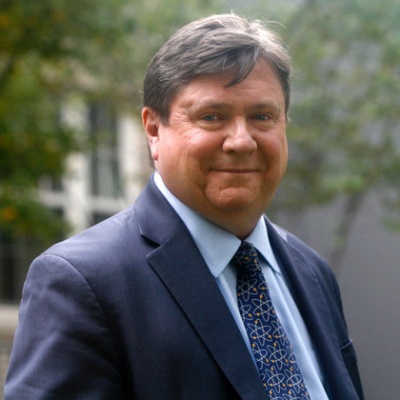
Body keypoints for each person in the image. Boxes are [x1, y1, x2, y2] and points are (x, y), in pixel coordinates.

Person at [5, 13, 364, 400]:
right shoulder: (82, 283)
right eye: (212, 117)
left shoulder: (312, 273)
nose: (241, 141)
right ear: (154, 130)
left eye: (262, 116)